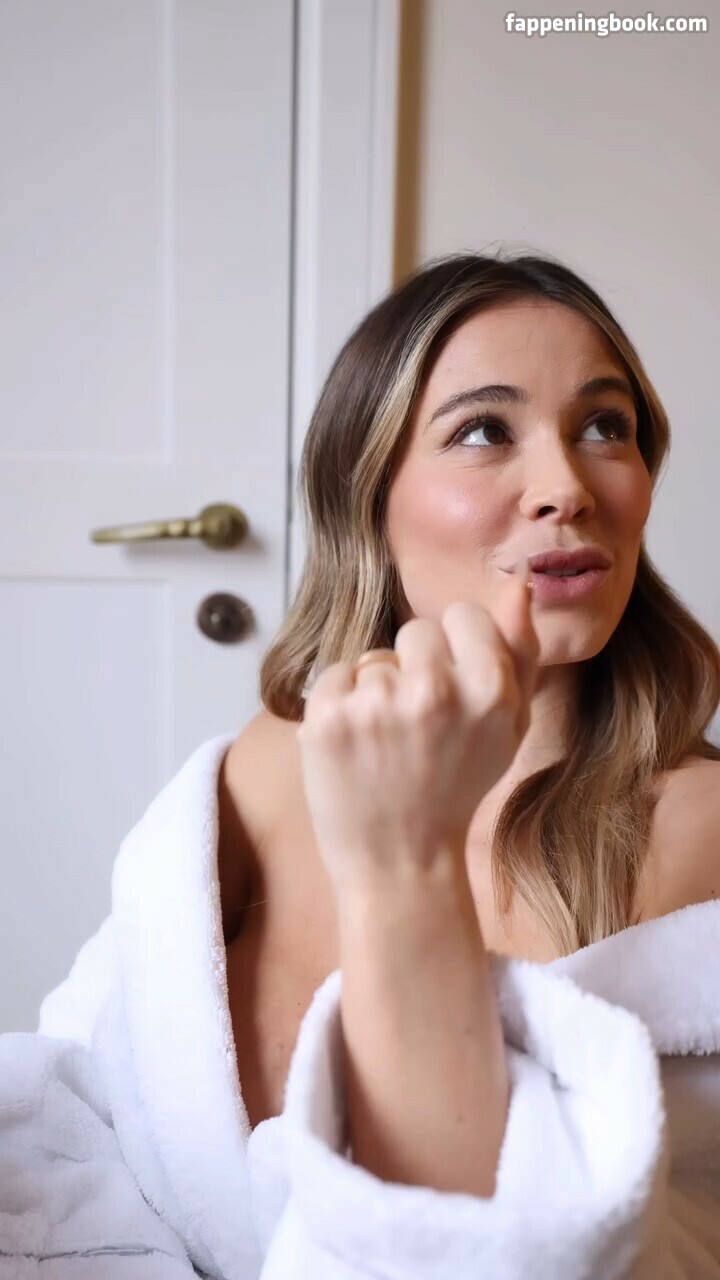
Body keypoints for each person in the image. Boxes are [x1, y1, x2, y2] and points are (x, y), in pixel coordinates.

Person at [13, 251, 720, 1277]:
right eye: (484, 431)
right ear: (369, 495)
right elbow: (92, 1078)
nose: (568, 488)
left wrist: (407, 854)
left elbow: (474, 1246)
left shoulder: (693, 829)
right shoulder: (270, 763)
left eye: (605, 426)